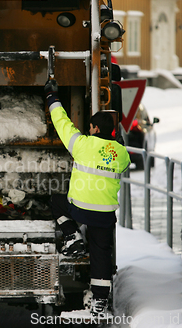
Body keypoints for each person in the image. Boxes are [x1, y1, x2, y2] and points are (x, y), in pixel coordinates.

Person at [44, 79, 130, 317]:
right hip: (104, 215)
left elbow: (62, 124)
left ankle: (72, 236)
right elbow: (123, 162)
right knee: (101, 254)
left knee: (56, 201)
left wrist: (52, 98)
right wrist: (117, 145)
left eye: (90, 127)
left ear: (93, 128)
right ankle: (100, 301)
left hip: (79, 209)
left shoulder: (81, 144)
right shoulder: (120, 153)